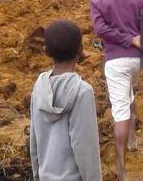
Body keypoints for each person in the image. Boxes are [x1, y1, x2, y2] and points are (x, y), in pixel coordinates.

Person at [89, 0, 143, 181]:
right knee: (128, 93)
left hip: (116, 62)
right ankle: (134, 139)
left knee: (119, 111)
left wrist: (126, 40)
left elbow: (100, 30)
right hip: (137, 61)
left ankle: (122, 171)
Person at [30, 20, 102, 181]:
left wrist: (37, 175)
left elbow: (34, 141)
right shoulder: (82, 92)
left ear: (47, 51)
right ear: (80, 50)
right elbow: (85, 148)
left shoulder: (39, 87)